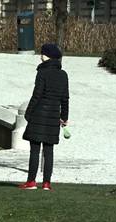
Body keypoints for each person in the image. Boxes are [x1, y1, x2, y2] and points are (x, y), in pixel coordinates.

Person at [19, 44, 69, 191]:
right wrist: (64, 117)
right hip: (54, 116)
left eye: (42, 54)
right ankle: (47, 183)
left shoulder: (42, 73)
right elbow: (65, 98)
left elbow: (37, 95)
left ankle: (31, 181)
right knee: (49, 151)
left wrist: (28, 113)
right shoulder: (63, 74)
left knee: (34, 150)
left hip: (39, 115)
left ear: (47, 56)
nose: (40, 56)